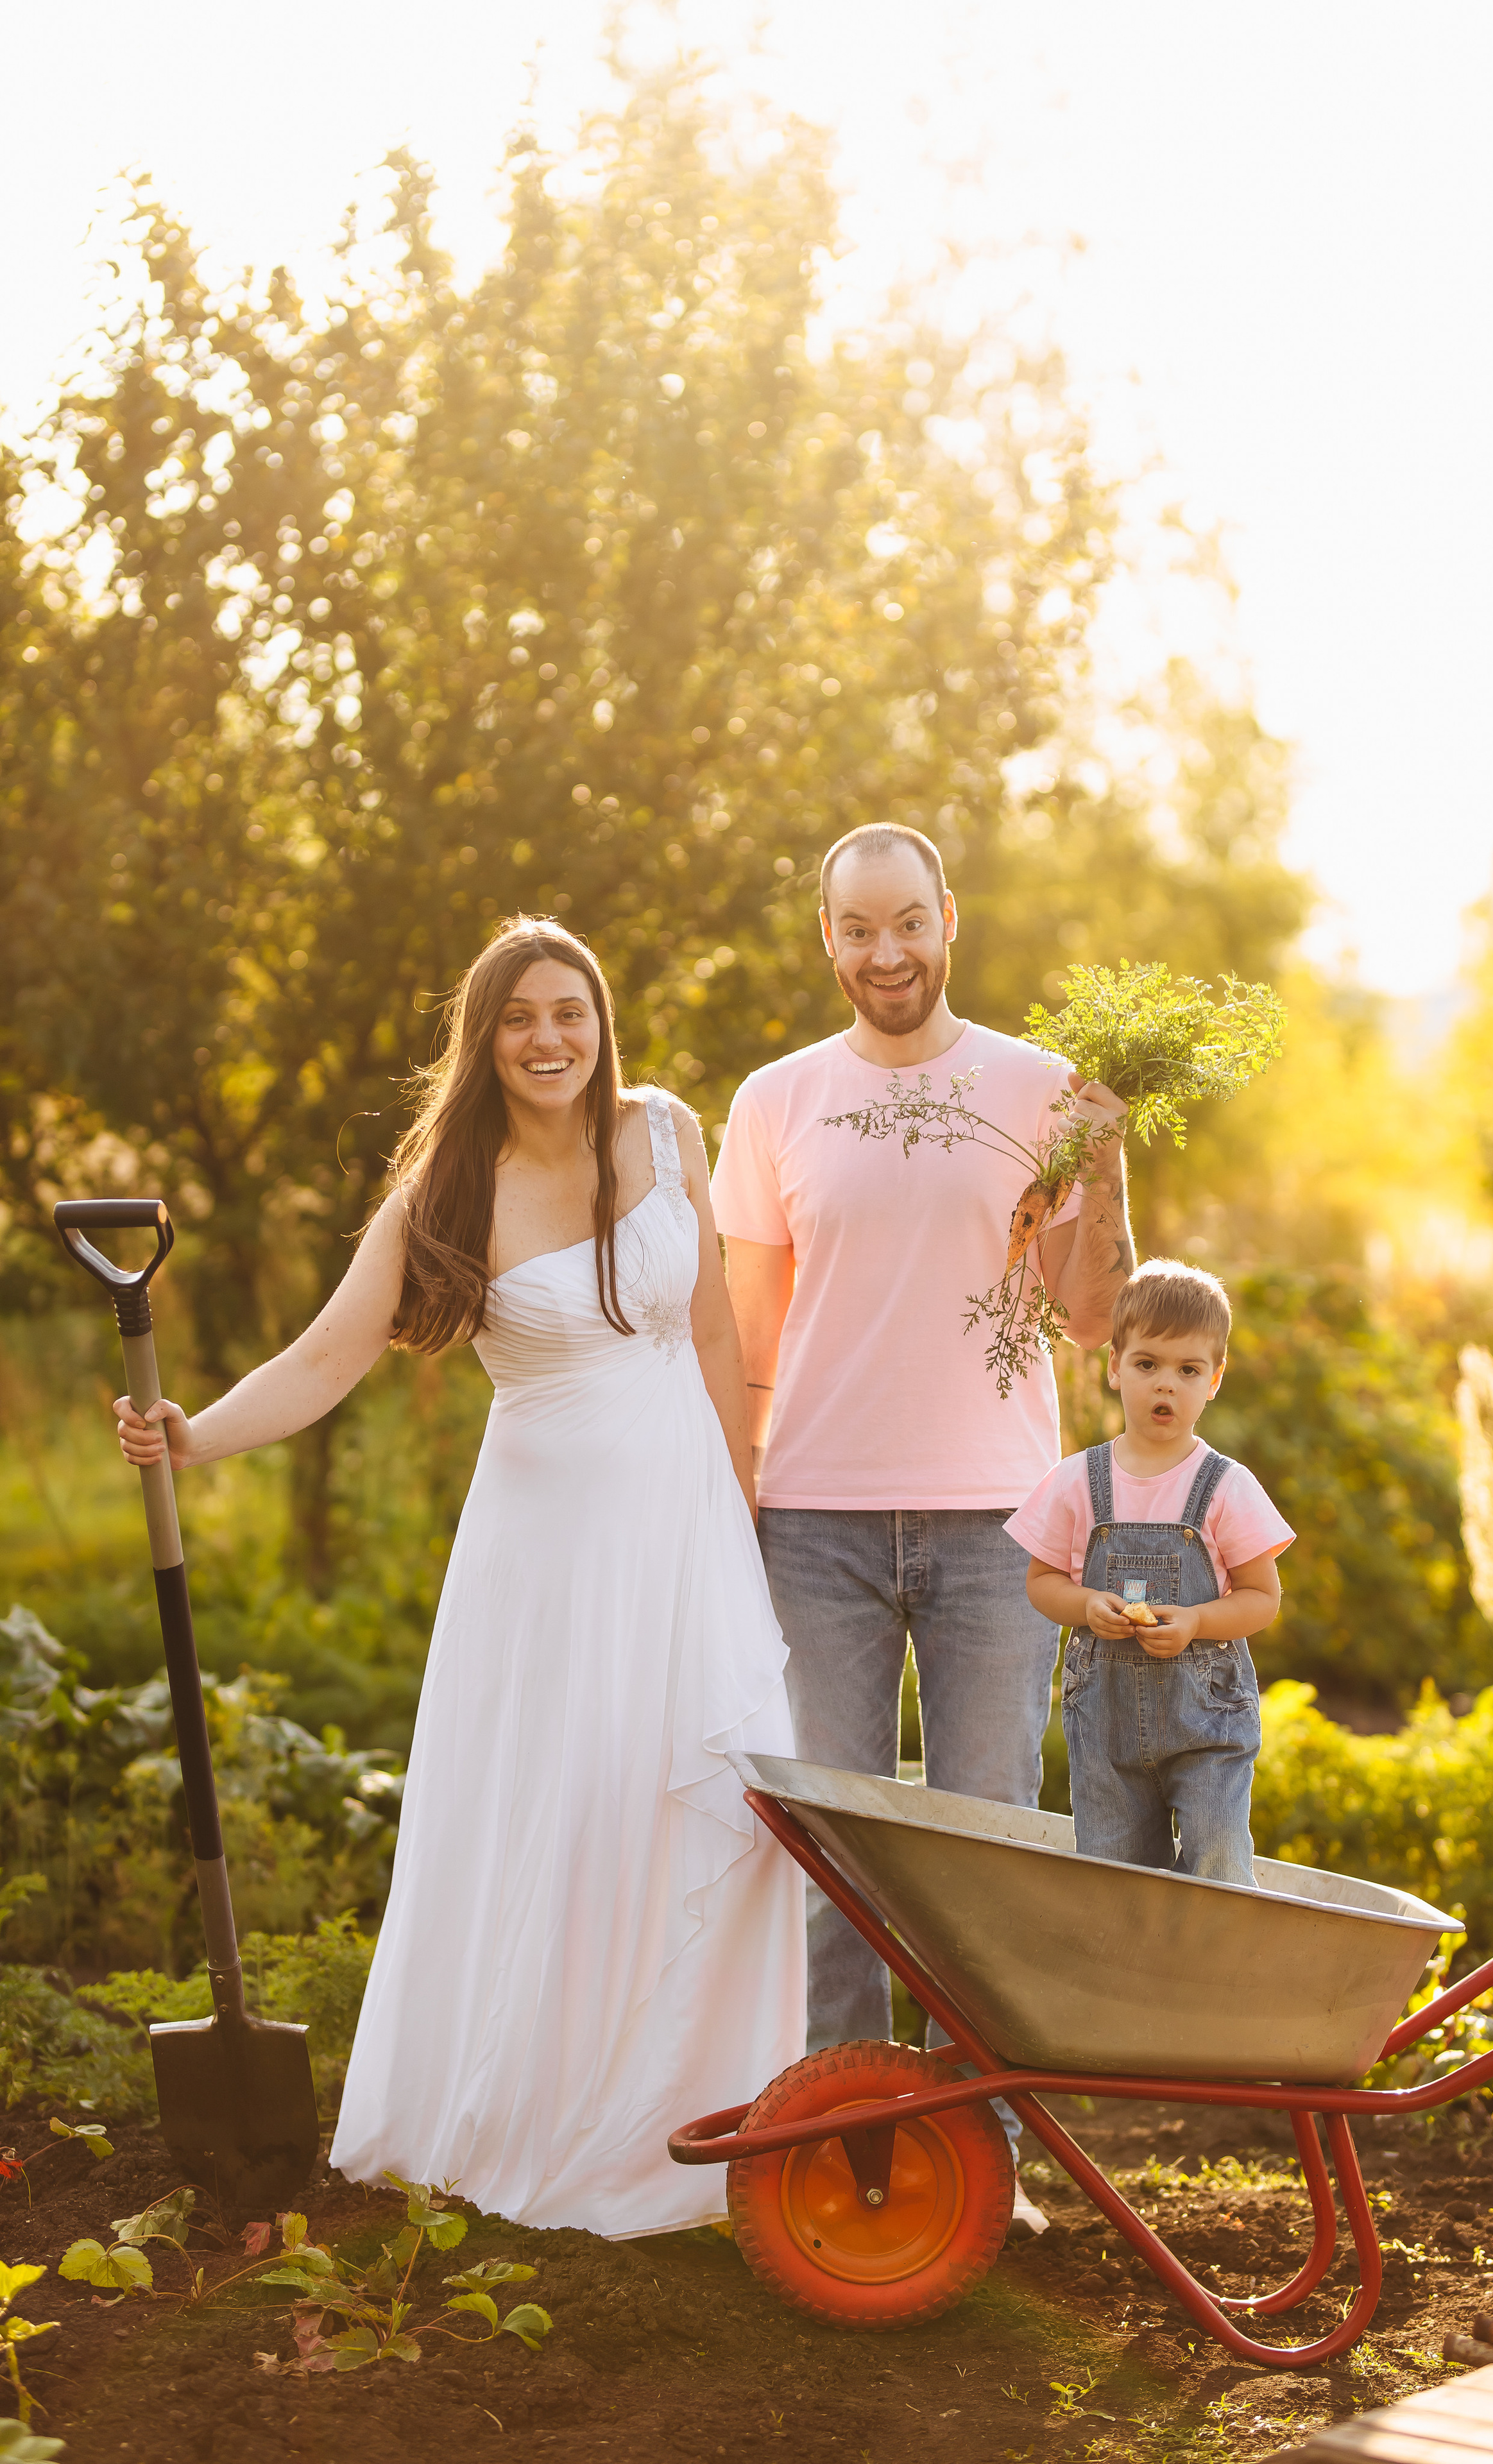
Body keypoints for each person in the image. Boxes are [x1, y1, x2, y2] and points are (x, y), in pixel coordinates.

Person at [112, 915, 804, 2237]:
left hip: (687, 1535)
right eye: (519, 1017)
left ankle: (702, 2115)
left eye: (570, 1012)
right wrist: (192, 1436)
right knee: (574, 1810)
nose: (549, 1038)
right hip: (548, 1559)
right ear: (484, 1040)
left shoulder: (666, 1132)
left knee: (721, 1804)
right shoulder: (448, 1189)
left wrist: (741, 1513)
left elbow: (712, 1326)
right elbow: (325, 1359)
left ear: (602, 1024)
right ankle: (547, 2116)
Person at [712, 821, 1132, 2227]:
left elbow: (1089, 1316)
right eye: (854, 929)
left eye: (905, 922)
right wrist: (730, 1493)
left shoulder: (1040, 1087)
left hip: (990, 1528)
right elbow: (748, 1339)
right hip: (812, 1526)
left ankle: (978, 2170)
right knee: (838, 1856)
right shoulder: (773, 1102)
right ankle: (846, 2146)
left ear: (949, 916)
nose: (882, 953)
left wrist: (1107, 1161)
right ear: (823, 938)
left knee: (981, 1854)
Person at [1007, 1258, 1293, 1885]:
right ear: (1114, 1366)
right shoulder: (1076, 1482)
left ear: (1214, 1380)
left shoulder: (1226, 1488)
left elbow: (1260, 1599)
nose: (1166, 1385)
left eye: (1187, 1370)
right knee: (1116, 1877)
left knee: (1218, 1856)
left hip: (1205, 1723)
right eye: (1147, 1365)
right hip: (1107, 1730)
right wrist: (1084, 1606)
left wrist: (1195, 1620)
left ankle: (1212, 1974)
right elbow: (1041, 1582)